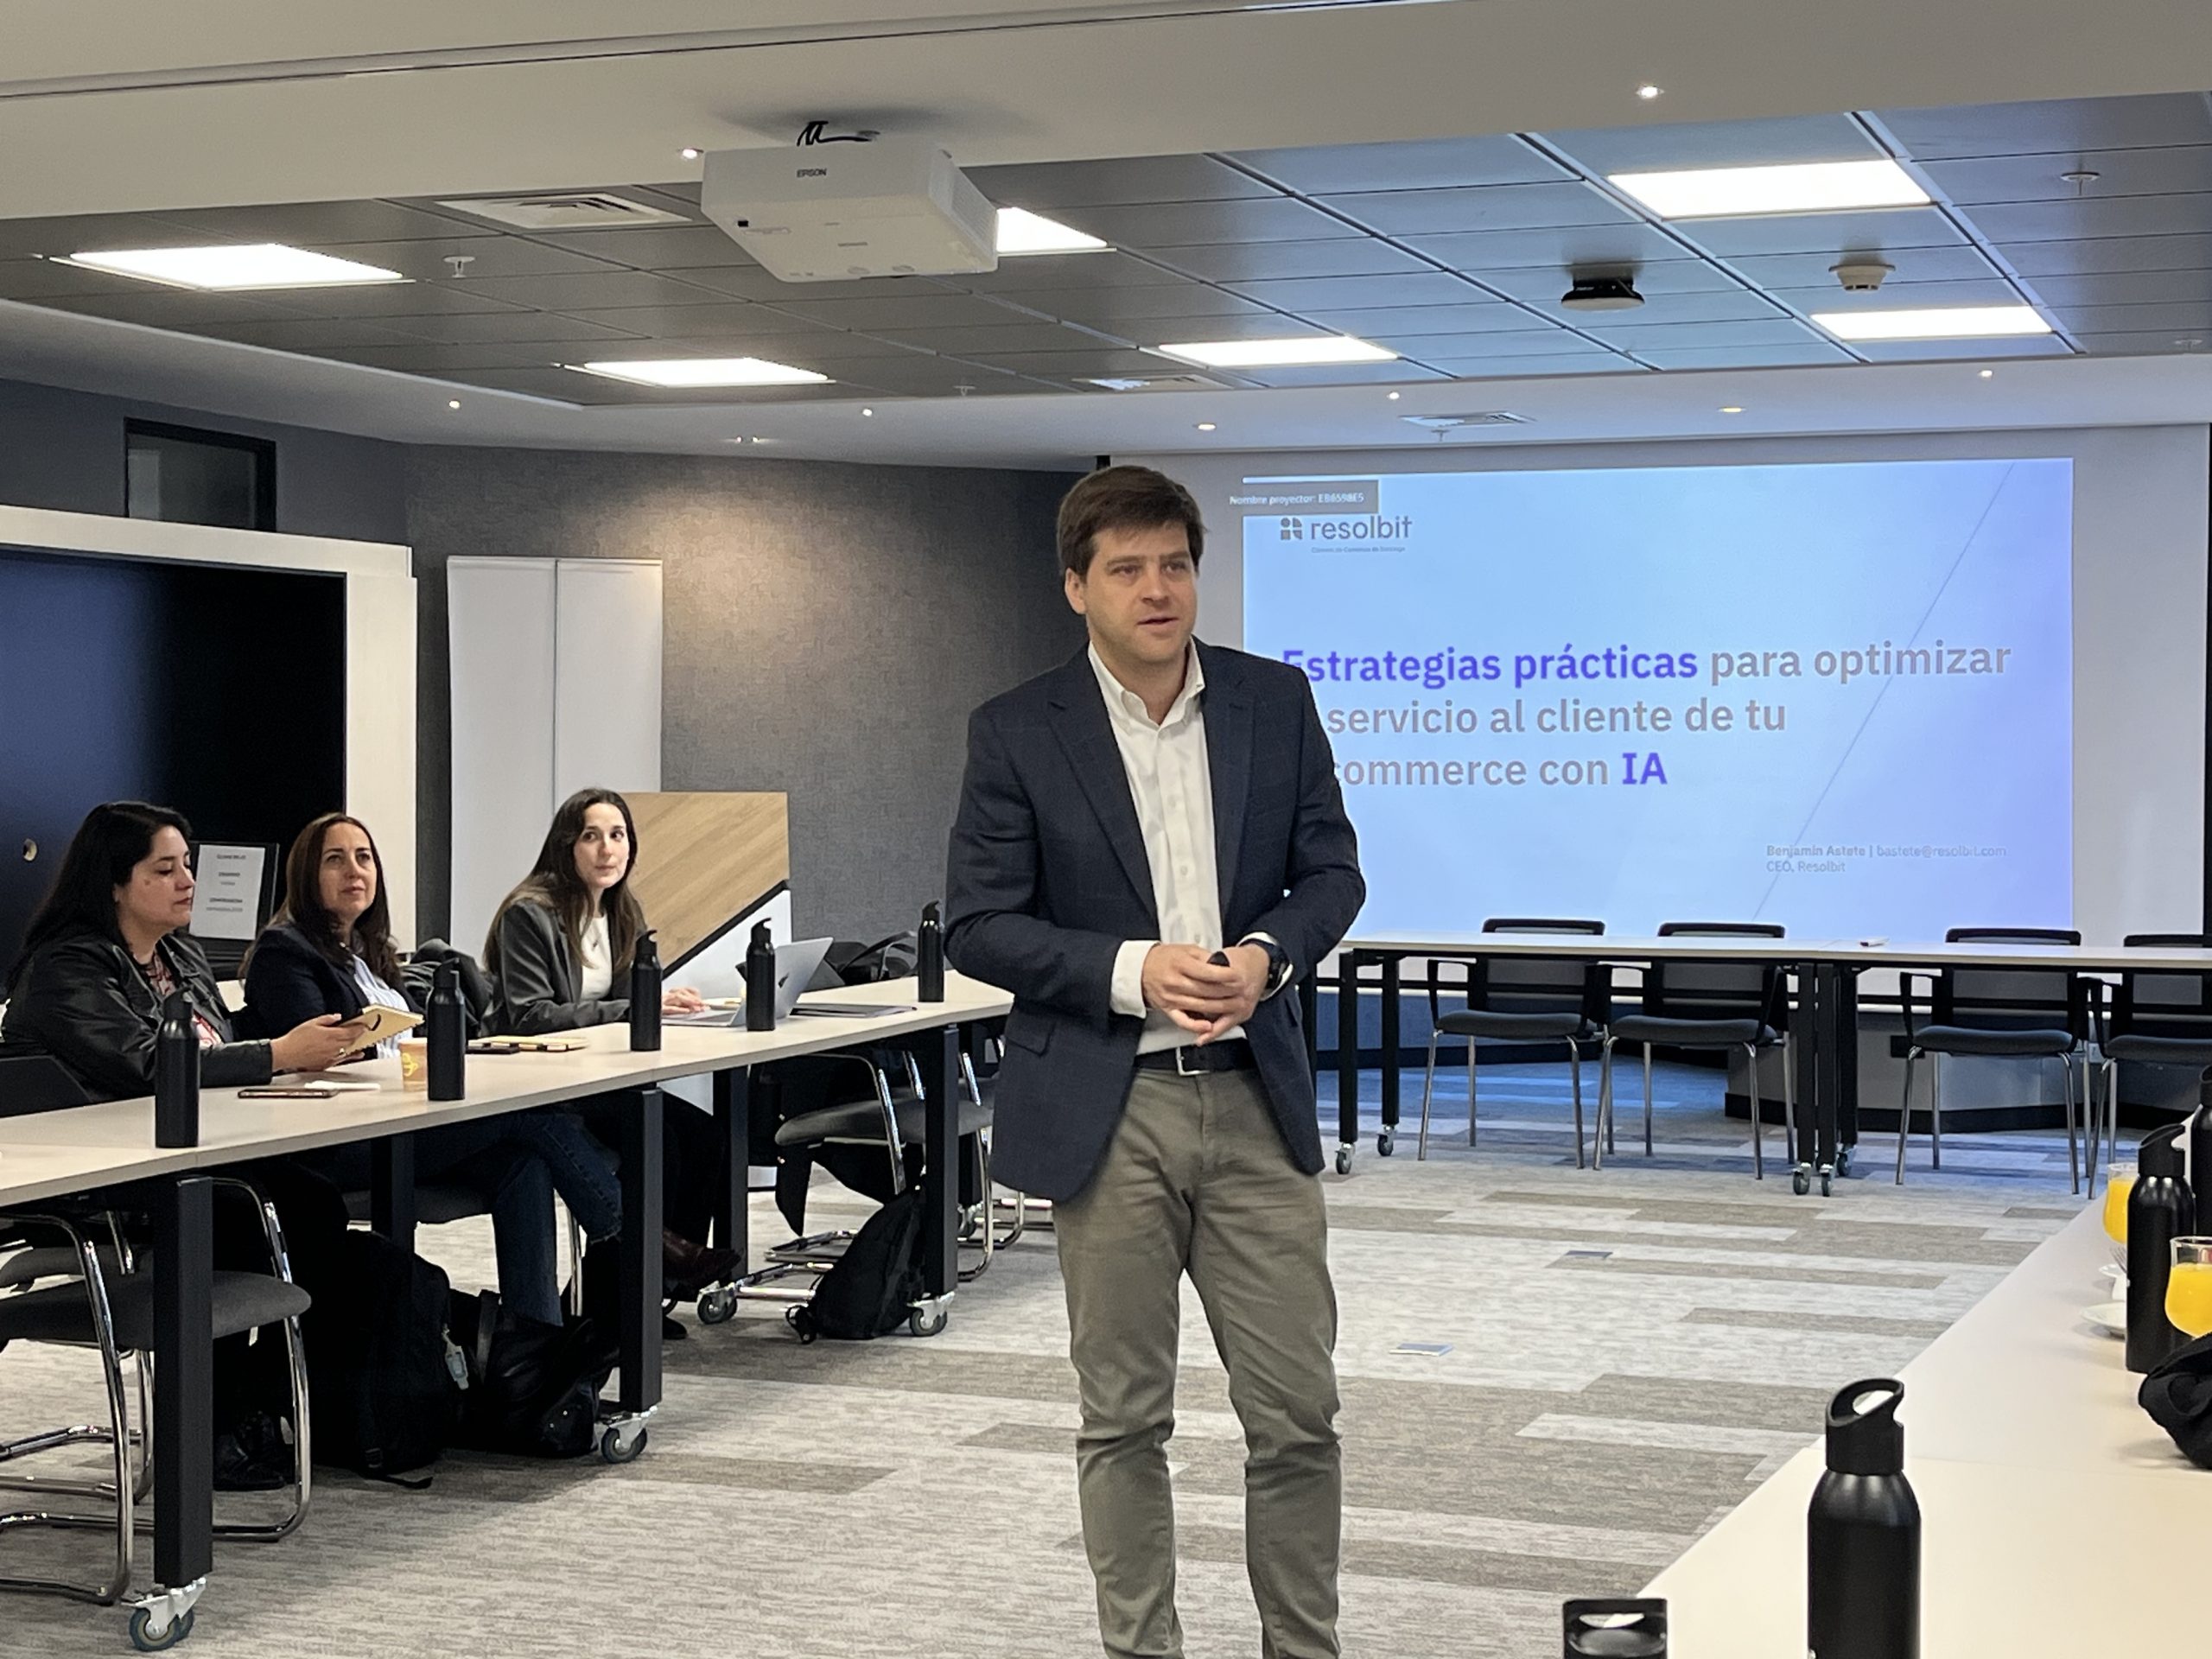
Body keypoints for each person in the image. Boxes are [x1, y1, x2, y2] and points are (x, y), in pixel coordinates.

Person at [944, 465, 1364, 1659]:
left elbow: (1332, 874)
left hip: (1254, 1102)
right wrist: (1133, 968)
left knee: (1298, 1416)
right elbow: (979, 923)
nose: (1156, 589)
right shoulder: (1018, 728)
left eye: (1174, 564)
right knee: (1124, 1420)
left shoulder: (1273, 701)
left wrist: (1267, 956)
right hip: (1110, 1105)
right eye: (1125, 569)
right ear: (1076, 587)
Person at [243, 810, 620, 1325]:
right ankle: (623, 1233)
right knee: (528, 1117)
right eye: (335, 860)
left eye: (364, 858)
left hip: (405, 1120)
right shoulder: (284, 952)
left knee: (523, 1166)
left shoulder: (369, 953)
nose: (355, 871)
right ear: (307, 874)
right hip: (340, 1140)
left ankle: (535, 1347)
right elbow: (320, 1049)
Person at [484, 787, 737, 1309]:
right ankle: (622, 1303)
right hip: (543, 1084)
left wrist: (668, 1007)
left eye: (618, 836)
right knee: (659, 1141)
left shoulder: (622, 912)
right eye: (592, 836)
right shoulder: (528, 914)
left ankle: (652, 1296)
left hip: (601, 1074)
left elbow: (629, 1003)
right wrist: (635, 1008)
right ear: (566, 846)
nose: (607, 850)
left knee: (706, 1137)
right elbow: (532, 1018)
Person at [3, 802, 361, 1096]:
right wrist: (278, 1054)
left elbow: (218, 1040)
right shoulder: (65, 968)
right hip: (101, 1148)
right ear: (113, 885)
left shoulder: (182, 954)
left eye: (187, 865)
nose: (188, 882)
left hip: (202, 1127)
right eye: (165, 871)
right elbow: (146, 1065)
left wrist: (305, 1049)